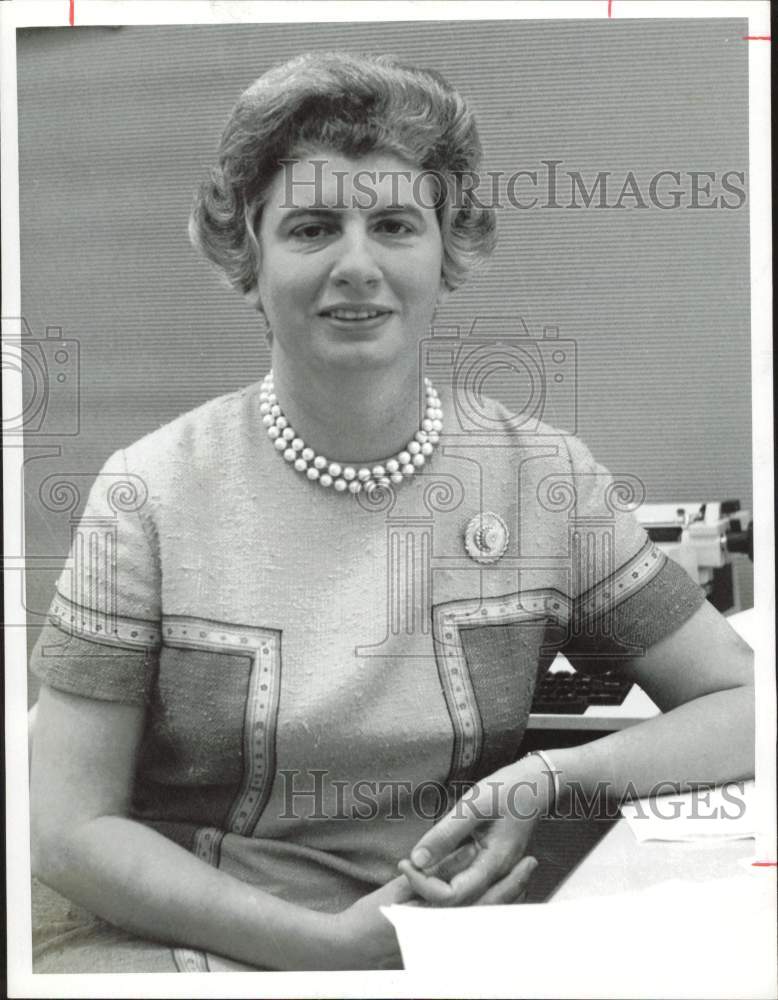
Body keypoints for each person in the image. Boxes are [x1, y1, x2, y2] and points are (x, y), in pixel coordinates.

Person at [29, 51, 754, 973]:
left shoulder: (541, 477)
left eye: (396, 225)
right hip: (183, 944)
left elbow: (746, 704)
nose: (357, 264)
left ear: (449, 253)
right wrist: (329, 946)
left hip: (452, 940)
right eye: (313, 227)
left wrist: (553, 777)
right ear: (246, 258)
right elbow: (67, 828)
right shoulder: (148, 493)